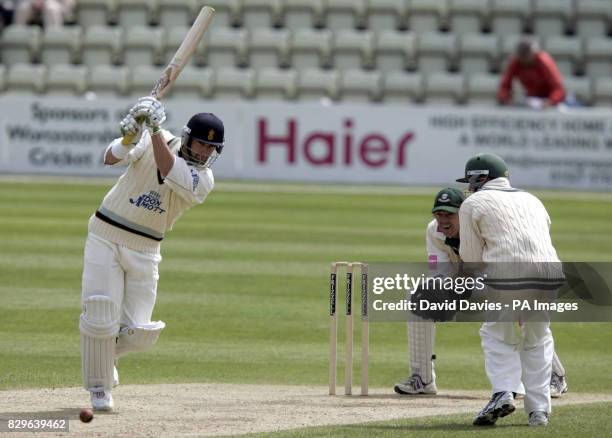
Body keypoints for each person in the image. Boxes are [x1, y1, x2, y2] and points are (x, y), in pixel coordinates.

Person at [79, 96, 225, 411]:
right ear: (187, 137)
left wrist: (154, 127)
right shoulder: (152, 138)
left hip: (146, 248)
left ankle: (103, 355)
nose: (204, 152)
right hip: (106, 233)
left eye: (210, 149)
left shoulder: (204, 180)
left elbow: (168, 168)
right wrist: (130, 136)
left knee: (140, 333)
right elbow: (109, 158)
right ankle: (99, 388)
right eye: (200, 144)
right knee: (101, 315)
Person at [393, 187, 568, 399]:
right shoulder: (433, 231)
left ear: (463, 213)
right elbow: (439, 270)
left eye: (449, 214)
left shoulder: (482, 227)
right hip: (467, 286)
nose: (443, 221)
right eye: (438, 214)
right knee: (418, 295)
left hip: (496, 282)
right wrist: (444, 292)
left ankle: (555, 376)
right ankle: (421, 378)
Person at [456, 152, 562, 427]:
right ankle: (539, 411)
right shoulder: (532, 199)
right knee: (537, 339)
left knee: (497, 334)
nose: (468, 187)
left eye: (470, 181)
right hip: (550, 274)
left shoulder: (473, 203)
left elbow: (471, 258)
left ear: (480, 178)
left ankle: (504, 391)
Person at [497, 38, 566, 109]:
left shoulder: (544, 61)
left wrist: (551, 101)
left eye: (526, 55)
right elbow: (505, 85)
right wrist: (504, 98)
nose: (524, 59)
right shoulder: (516, 62)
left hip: (549, 102)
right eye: (522, 55)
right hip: (532, 101)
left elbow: (558, 89)